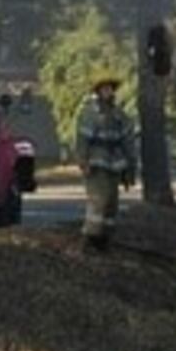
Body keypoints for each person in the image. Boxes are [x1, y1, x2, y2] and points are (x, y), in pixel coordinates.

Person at [74, 74, 137, 249]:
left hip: (114, 165)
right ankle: (90, 237)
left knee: (111, 203)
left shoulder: (119, 114)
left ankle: (105, 238)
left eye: (110, 88)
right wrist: (83, 161)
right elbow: (82, 140)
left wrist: (130, 168)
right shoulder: (89, 114)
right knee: (98, 201)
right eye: (104, 89)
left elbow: (128, 141)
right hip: (95, 165)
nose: (108, 92)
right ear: (98, 91)